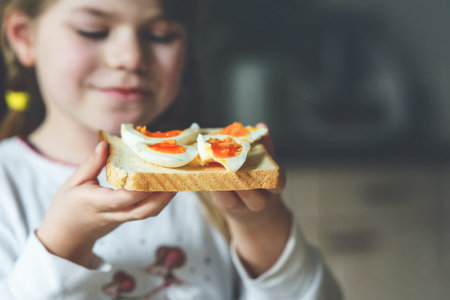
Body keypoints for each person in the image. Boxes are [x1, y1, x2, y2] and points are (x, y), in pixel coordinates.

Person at [0, 0, 342, 299]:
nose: (131, 58)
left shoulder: (215, 179)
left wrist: (259, 225)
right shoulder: (7, 183)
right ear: (23, 36)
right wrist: (64, 244)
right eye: (93, 30)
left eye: (161, 34)